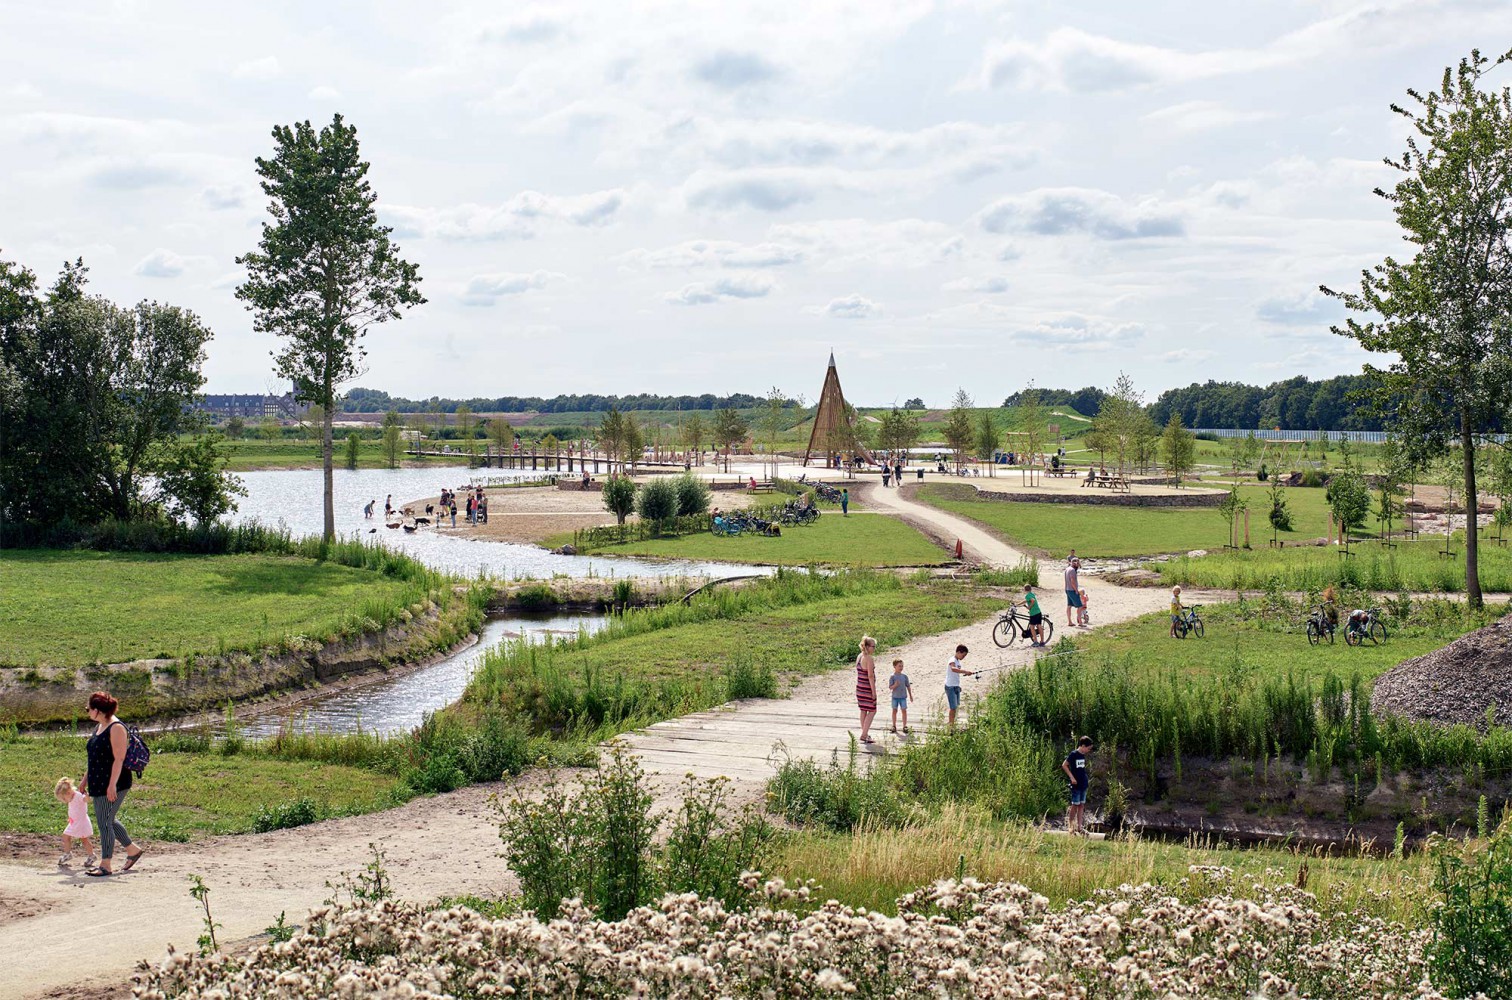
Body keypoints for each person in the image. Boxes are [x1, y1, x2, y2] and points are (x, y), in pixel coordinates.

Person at [83, 691, 144, 876]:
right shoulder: (101, 726)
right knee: (107, 819)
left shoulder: (116, 727)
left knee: (104, 823)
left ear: (98, 710)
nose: (87, 712)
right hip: (98, 781)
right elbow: (94, 758)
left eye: (88, 709)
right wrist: (84, 780)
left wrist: (112, 785)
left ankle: (106, 864)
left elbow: (119, 759)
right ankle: (133, 850)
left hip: (114, 782)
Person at [54, 776, 95, 869]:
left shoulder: (78, 796)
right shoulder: (71, 797)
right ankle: (68, 854)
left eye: (64, 799)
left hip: (81, 823)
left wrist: (88, 795)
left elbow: (87, 800)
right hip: (74, 822)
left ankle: (91, 855)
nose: (65, 801)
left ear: (68, 792)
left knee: (84, 840)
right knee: (66, 836)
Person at [1062, 737, 1095, 835]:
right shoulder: (1074, 754)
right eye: (1088, 748)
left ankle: (1080, 827)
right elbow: (1064, 765)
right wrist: (1072, 778)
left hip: (1083, 783)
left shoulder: (1083, 755)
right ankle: (1071, 827)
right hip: (1075, 784)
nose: (1088, 751)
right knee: (1075, 805)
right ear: (1083, 746)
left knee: (1081, 805)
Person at [945, 644, 975, 729]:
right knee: (953, 707)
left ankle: (952, 723)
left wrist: (966, 674)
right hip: (950, 687)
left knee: (957, 706)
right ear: (958, 652)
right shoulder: (952, 660)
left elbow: (956, 673)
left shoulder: (958, 661)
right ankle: (951, 726)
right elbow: (953, 669)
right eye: (963, 655)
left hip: (956, 686)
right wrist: (965, 671)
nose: (964, 657)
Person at [855, 636, 878, 744]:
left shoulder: (859, 656)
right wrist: (874, 693)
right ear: (867, 647)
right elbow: (870, 676)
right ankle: (864, 735)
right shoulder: (869, 659)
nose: (874, 648)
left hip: (859, 688)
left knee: (863, 710)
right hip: (866, 688)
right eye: (873, 646)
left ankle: (865, 733)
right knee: (872, 710)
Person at [888, 658, 913, 734]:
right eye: (899, 666)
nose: (901, 667)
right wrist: (895, 685)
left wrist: (910, 695)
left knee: (904, 711)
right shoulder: (892, 676)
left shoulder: (904, 676)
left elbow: (908, 686)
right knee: (894, 711)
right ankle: (894, 725)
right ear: (894, 666)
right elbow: (890, 687)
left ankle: (904, 726)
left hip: (903, 697)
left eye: (902, 666)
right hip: (895, 697)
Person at [1064, 558, 1082, 628]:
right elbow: (1072, 581)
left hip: (1067, 589)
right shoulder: (1072, 570)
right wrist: (1076, 590)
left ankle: (1069, 622)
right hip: (1072, 590)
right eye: (1077, 563)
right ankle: (1080, 622)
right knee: (1080, 606)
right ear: (1074, 563)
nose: (1078, 565)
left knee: (1069, 606)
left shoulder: (1067, 569)